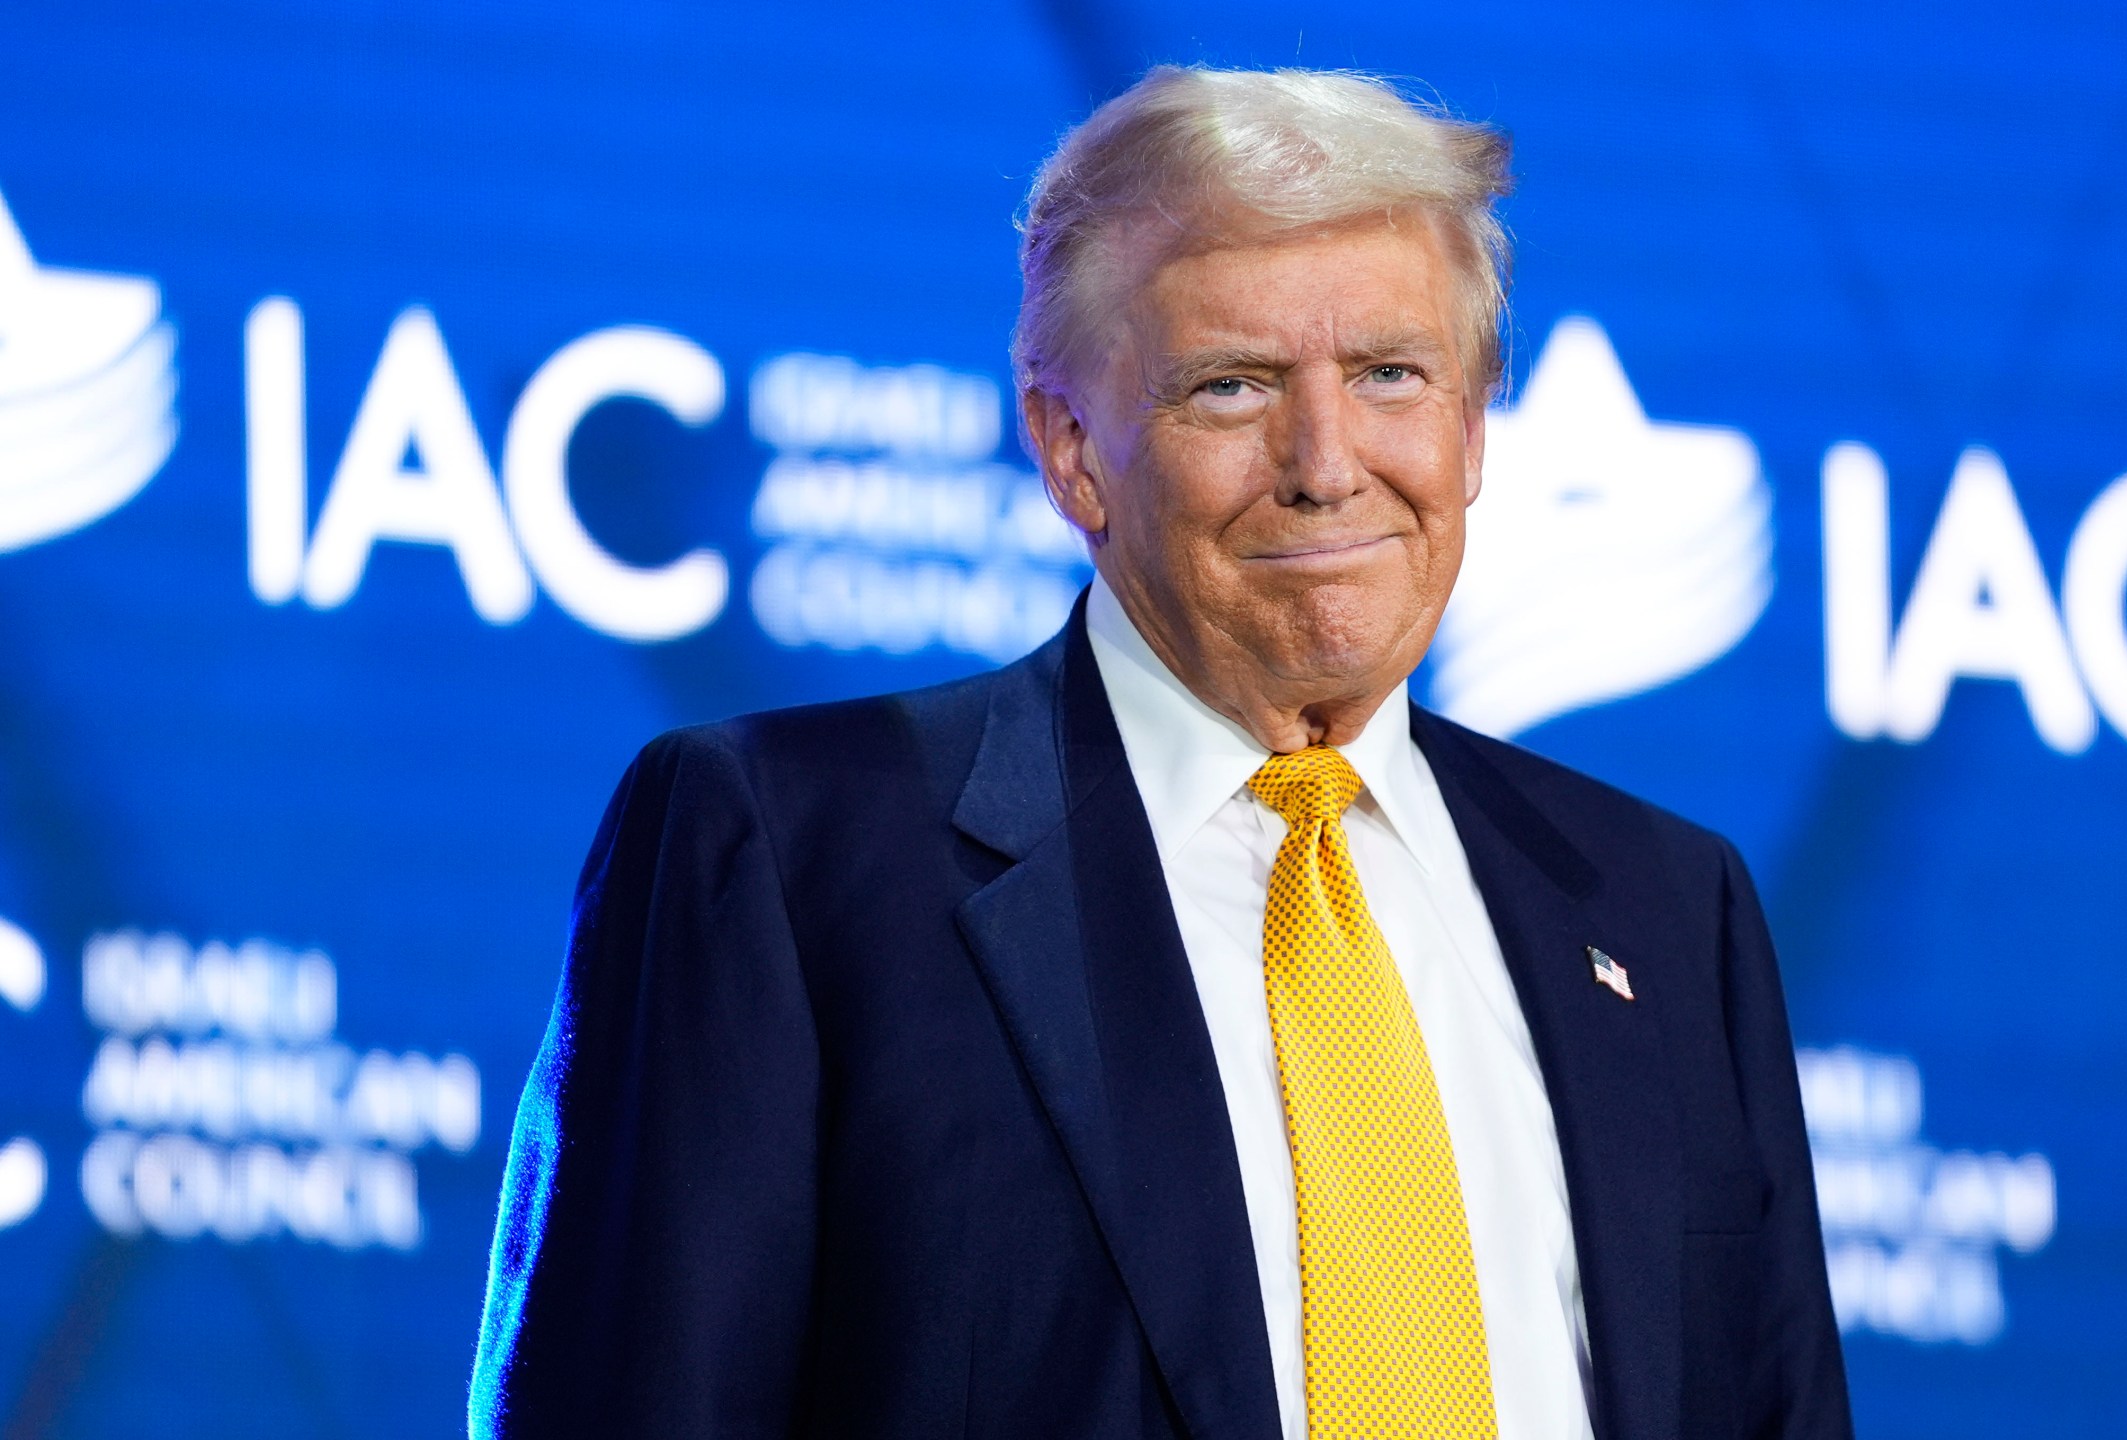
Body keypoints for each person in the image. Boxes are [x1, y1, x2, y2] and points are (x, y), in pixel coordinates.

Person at [470, 65, 1850, 1440]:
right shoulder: (782, 853)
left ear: (1474, 427)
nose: (1326, 462)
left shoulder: (1666, 910)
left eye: (1390, 375)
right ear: (1072, 449)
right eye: (1234, 388)